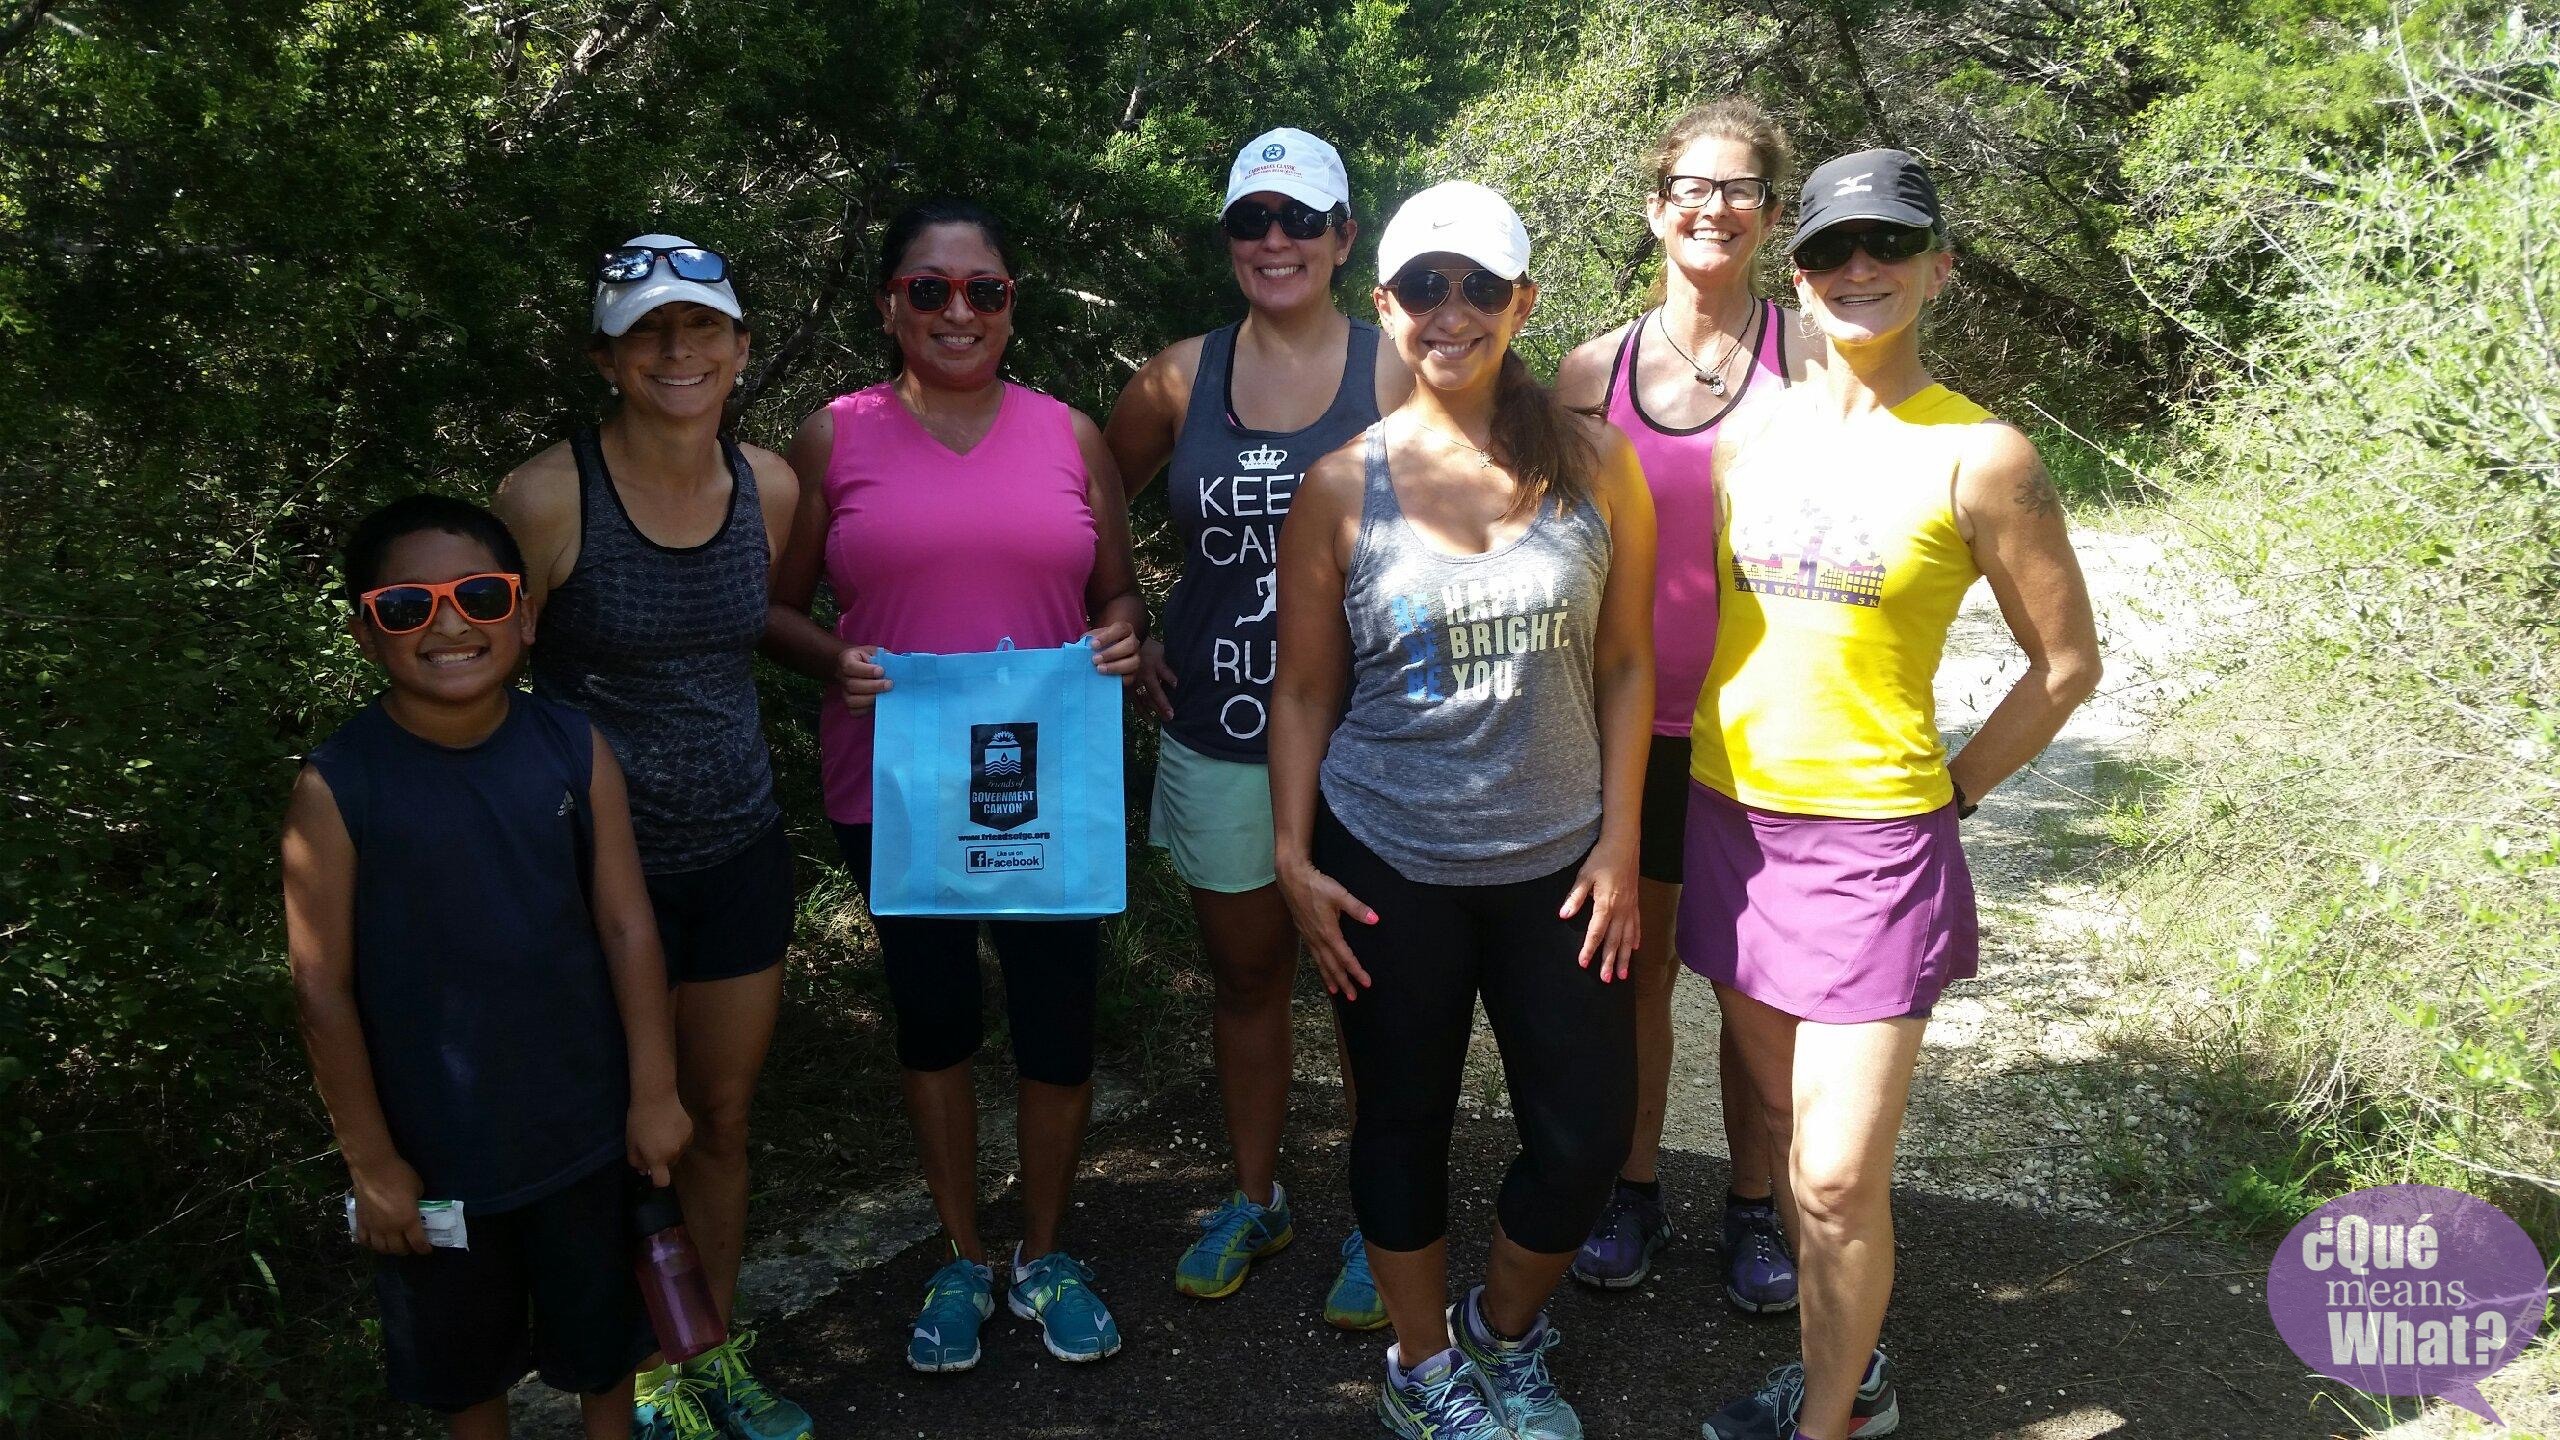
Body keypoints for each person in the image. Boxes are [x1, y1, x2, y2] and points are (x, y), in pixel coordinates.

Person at [1688, 150, 2101, 1440]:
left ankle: (1827, 1426)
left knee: (1829, 1172)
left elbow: (2066, 666)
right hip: (1730, 825)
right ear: (1796, 276)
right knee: (1774, 1121)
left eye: (1886, 245)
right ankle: (1842, 1370)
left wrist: (1952, 796)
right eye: (1827, 251)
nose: (1856, 270)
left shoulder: (1984, 455)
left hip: (1876, 847)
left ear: (1936, 266)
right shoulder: (1746, 436)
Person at [1270, 181, 1656, 1440]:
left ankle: (1498, 1332)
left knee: (1587, 1134)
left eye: (1481, 286)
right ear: (1383, 305)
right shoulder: (1340, 487)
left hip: (1558, 861)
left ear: (1522, 303)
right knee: (1401, 1119)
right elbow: (1305, 689)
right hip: (1385, 854)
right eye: (1426, 287)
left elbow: (1625, 664)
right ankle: (1422, 1368)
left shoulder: (1596, 466)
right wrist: (1289, 856)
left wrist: (1619, 840)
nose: (1453, 312)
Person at [767, 198, 1146, 1375]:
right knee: (933, 1025)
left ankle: (1040, 1253)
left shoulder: (1070, 433)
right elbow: (772, 610)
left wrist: (1126, 637)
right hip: (894, 790)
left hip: (1053, 787)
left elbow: (1118, 597)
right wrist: (833, 660)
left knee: (1056, 1031)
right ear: (889, 305)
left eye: (984, 289)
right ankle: (958, 1252)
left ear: (1012, 304)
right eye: (929, 289)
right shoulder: (834, 436)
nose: (958, 311)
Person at [283, 495, 693, 1440]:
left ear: (525, 611)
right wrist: (373, 1163)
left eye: (477, 593)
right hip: (435, 1165)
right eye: (406, 606)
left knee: (604, 1357)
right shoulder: (338, 786)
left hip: (588, 1136)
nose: (451, 623)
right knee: (469, 1381)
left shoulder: (571, 748)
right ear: (364, 632)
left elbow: (629, 926)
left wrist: (654, 1092)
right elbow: (320, 990)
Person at [491, 235, 812, 1440]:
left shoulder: (770, 487)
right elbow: (477, 672)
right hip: (588, 870)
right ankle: (629, 1378)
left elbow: (766, 631)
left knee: (719, 1118)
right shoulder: (546, 497)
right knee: (618, 1130)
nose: (677, 353)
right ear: (606, 356)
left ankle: (709, 1351)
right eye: (647, 332)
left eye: (700, 329)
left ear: (738, 346)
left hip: (737, 845)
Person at [1102, 126, 1410, 1326]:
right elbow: (1085, 505)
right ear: (1229, 239)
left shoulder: (1397, 369)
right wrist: (1122, 610)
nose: (1273, 241)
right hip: (1221, 726)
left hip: (1375, 739)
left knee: (1369, 986)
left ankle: (1380, 1219)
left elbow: (1502, 501)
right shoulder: (1179, 378)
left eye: (1300, 220)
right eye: (1251, 221)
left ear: (1343, 236)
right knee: (1246, 978)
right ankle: (1254, 1194)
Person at [1551, 99, 1807, 1308]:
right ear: (1654, 205)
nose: (1713, 206)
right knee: (1633, 972)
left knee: (1756, 982)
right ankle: (1635, 1188)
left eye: (1740, 187)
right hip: (1626, 725)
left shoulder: (1814, 360)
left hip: (1767, 725)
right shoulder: (1587, 372)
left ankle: (1754, 1210)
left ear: (1769, 212)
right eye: (1691, 186)